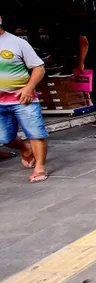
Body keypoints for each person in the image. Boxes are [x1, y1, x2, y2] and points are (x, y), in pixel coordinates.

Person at [0, 13, 49, 182]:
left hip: (23, 98)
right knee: (4, 137)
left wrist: (29, 88)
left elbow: (39, 68)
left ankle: (40, 167)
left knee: (35, 133)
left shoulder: (17, 43)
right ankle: (25, 148)